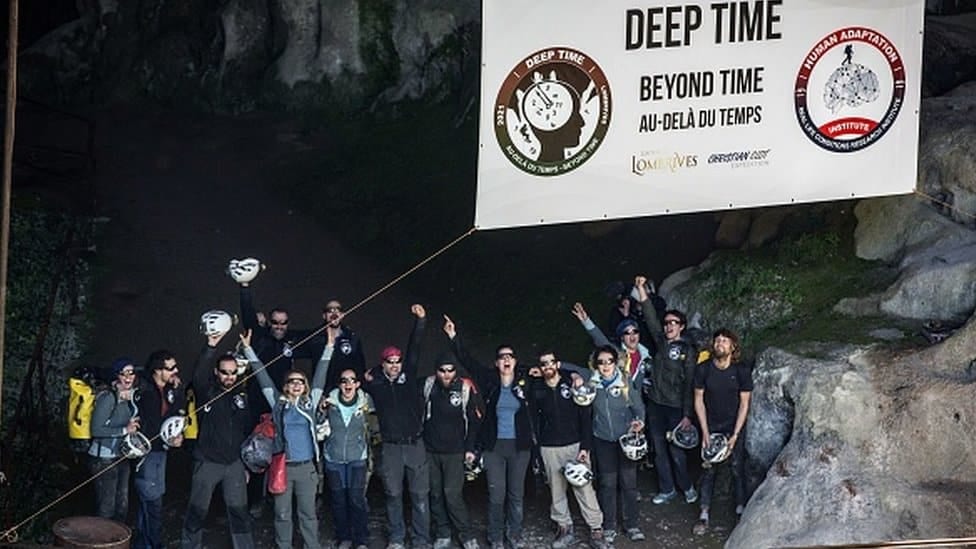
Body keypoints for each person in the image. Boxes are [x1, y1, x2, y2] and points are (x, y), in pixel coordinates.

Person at [444, 315, 533, 549]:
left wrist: (573, 375)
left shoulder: (525, 382)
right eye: (501, 357)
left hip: (519, 446)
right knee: (496, 495)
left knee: (516, 494)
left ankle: (514, 534)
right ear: (496, 363)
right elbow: (468, 361)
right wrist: (454, 336)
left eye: (509, 356)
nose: (506, 359)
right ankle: (495, 537)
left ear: (515, 361)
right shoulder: (489, 381)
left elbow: (553, 370)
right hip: (494, 446)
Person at [244, 324, 334, 549]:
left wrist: (330, 346)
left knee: (308, 515)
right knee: (282, 515)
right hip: (283, 466)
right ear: (285, 386)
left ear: (305, 386)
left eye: (300, 381)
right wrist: (248, 350)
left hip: (306, 468)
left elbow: (321, 374)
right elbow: (263, 377)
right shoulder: (278, 404)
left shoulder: (310, 403)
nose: (296, 384)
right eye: (292, 381)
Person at [363, 304, 430, 549]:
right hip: (390, 447)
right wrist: (369, 376)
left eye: (397, 361)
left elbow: (415, 348)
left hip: (415, 443)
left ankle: (421, 539)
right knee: (393, 495)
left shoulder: (409, 377)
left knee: (420, 495)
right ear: (383, 364)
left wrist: (420, 322)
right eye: (389, 362)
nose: (394, 365)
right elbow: (357, 379)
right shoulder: (376, 384)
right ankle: (397, 538)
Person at [181, 331, 255, 549]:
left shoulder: (241, 396)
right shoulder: (207, 392)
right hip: (207, 463)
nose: (229, 377)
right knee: (197, 511)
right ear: (217, 372)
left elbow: (244, 430)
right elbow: (198, 377)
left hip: (234, 464)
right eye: (224, 373)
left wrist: (245, 464)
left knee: (240, 513)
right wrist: (210, 347)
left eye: (233, 373)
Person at [528, 350, 606, 549]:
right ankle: (564, 527)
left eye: (551, 362)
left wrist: (585, 447)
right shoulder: (536, 389)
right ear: (539, 367)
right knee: (556, 488)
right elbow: (533, 421)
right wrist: (537, 450)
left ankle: (596, 529)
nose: (548, 367)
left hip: (575, 445)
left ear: (557, 364)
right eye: (543, 364)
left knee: (584, 487)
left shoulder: (571, 384)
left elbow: (585, 418)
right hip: (549, 447)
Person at [634, 275, 699, 505]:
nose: (669, 325)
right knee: (659, 451)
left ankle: (687, 486)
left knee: (676, 452)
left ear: (681, 327)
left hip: (675, 408)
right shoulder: (661, 342)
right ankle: (667, 489)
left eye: (673, 323)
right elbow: (650, 318)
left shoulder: (688, 350)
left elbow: (690, 382)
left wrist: (687, 415)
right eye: (667, 322)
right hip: (656, 405)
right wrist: (641, 289)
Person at [693, 328, 753, 535]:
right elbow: (698, 400)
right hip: (711, 424)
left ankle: (739, 510)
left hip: (733, 425)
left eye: (725, 341)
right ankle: (704, 514)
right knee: (708, 468)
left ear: (733, 347)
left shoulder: (741, 371)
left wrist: (735, 435)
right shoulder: (703, 369)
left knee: (737, 468)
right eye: (717, 340)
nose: (720, 344)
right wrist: (705, 432)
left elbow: (745, 404)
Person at [422, 353, 485, 549]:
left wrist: (470, 449)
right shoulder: (428, 385)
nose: (446, 374)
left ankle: (466, 535)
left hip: (455, 451)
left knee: (452, 494)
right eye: (442, 370)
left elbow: (474, 421)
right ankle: (442, 533)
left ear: (455, 371)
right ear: (436, 371)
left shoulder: (464, 387)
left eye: (450, 370)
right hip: (430, 450)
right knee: (435, 494)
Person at [586, 345, 647, 543]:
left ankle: (632, 525)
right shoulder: (592, 383)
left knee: (629, 482)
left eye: (609, 361)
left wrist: (639, 422)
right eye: (601, 362)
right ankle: (609, 525)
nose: (605, 366)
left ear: (615, 362)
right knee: (607, 483)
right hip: (602, 439)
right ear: (596, 365)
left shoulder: (625, 382)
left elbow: (638, 407)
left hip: (625, 439)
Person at [133, 350, 186, 549]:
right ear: (157, 370)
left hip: (160, 451)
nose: (176, 370)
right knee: (151, 501)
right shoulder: (144, 387)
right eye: (170, 368)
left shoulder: (170, 389)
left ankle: (144, 543)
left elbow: (176, 417)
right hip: (146, 451)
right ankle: (153, 544)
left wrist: (176, 437)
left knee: (153, 498)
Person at [319, 367, 376, 549]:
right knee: (338, 499)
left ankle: (361, 540)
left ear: (358, 384)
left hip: (357, 458)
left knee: (356, 498)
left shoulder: (366, 402)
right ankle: (344, 537)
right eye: (344, 380)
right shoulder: (329, 402)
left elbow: (374, 425)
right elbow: (319, 423)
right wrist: (320, 410)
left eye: (352, 380)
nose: (348, 384)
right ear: (339, 384)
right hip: (334, 459)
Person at [88, 357, 141, 522]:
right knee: (106, 507)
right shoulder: (107, 397)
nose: (128, 376)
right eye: (123, 372)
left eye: (131, 372)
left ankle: (118, 542)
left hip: (121, 455)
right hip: (103, 458)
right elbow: (96, 429)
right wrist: (125, 429)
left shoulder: (129, 397)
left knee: (122, 505)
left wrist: (130, 425)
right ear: (116, 376)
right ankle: (102, 544)